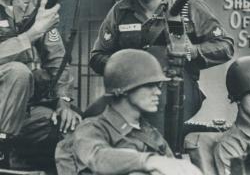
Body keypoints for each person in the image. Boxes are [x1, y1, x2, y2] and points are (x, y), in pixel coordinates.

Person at [89, 0, 234, 132]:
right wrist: (126, 68)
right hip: (131, 96)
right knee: (91, 123)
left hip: (177, 94)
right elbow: (97, 57)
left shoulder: (187, 5)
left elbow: (225, 46)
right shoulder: (120, 11)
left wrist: (192, 51)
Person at [0, 0, 81, 169]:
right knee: (17, 72)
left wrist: (64, 101)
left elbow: (56, 55)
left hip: (24, 110)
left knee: (70, 128)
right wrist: (32, 33)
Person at [56, 49, 203, 175]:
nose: (158, 92)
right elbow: (98, 158)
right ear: (123, 89)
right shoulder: (92, 129)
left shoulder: (151, 134)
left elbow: (170, 166)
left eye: (158, 85)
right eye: (149, 86)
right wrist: (151, 161)